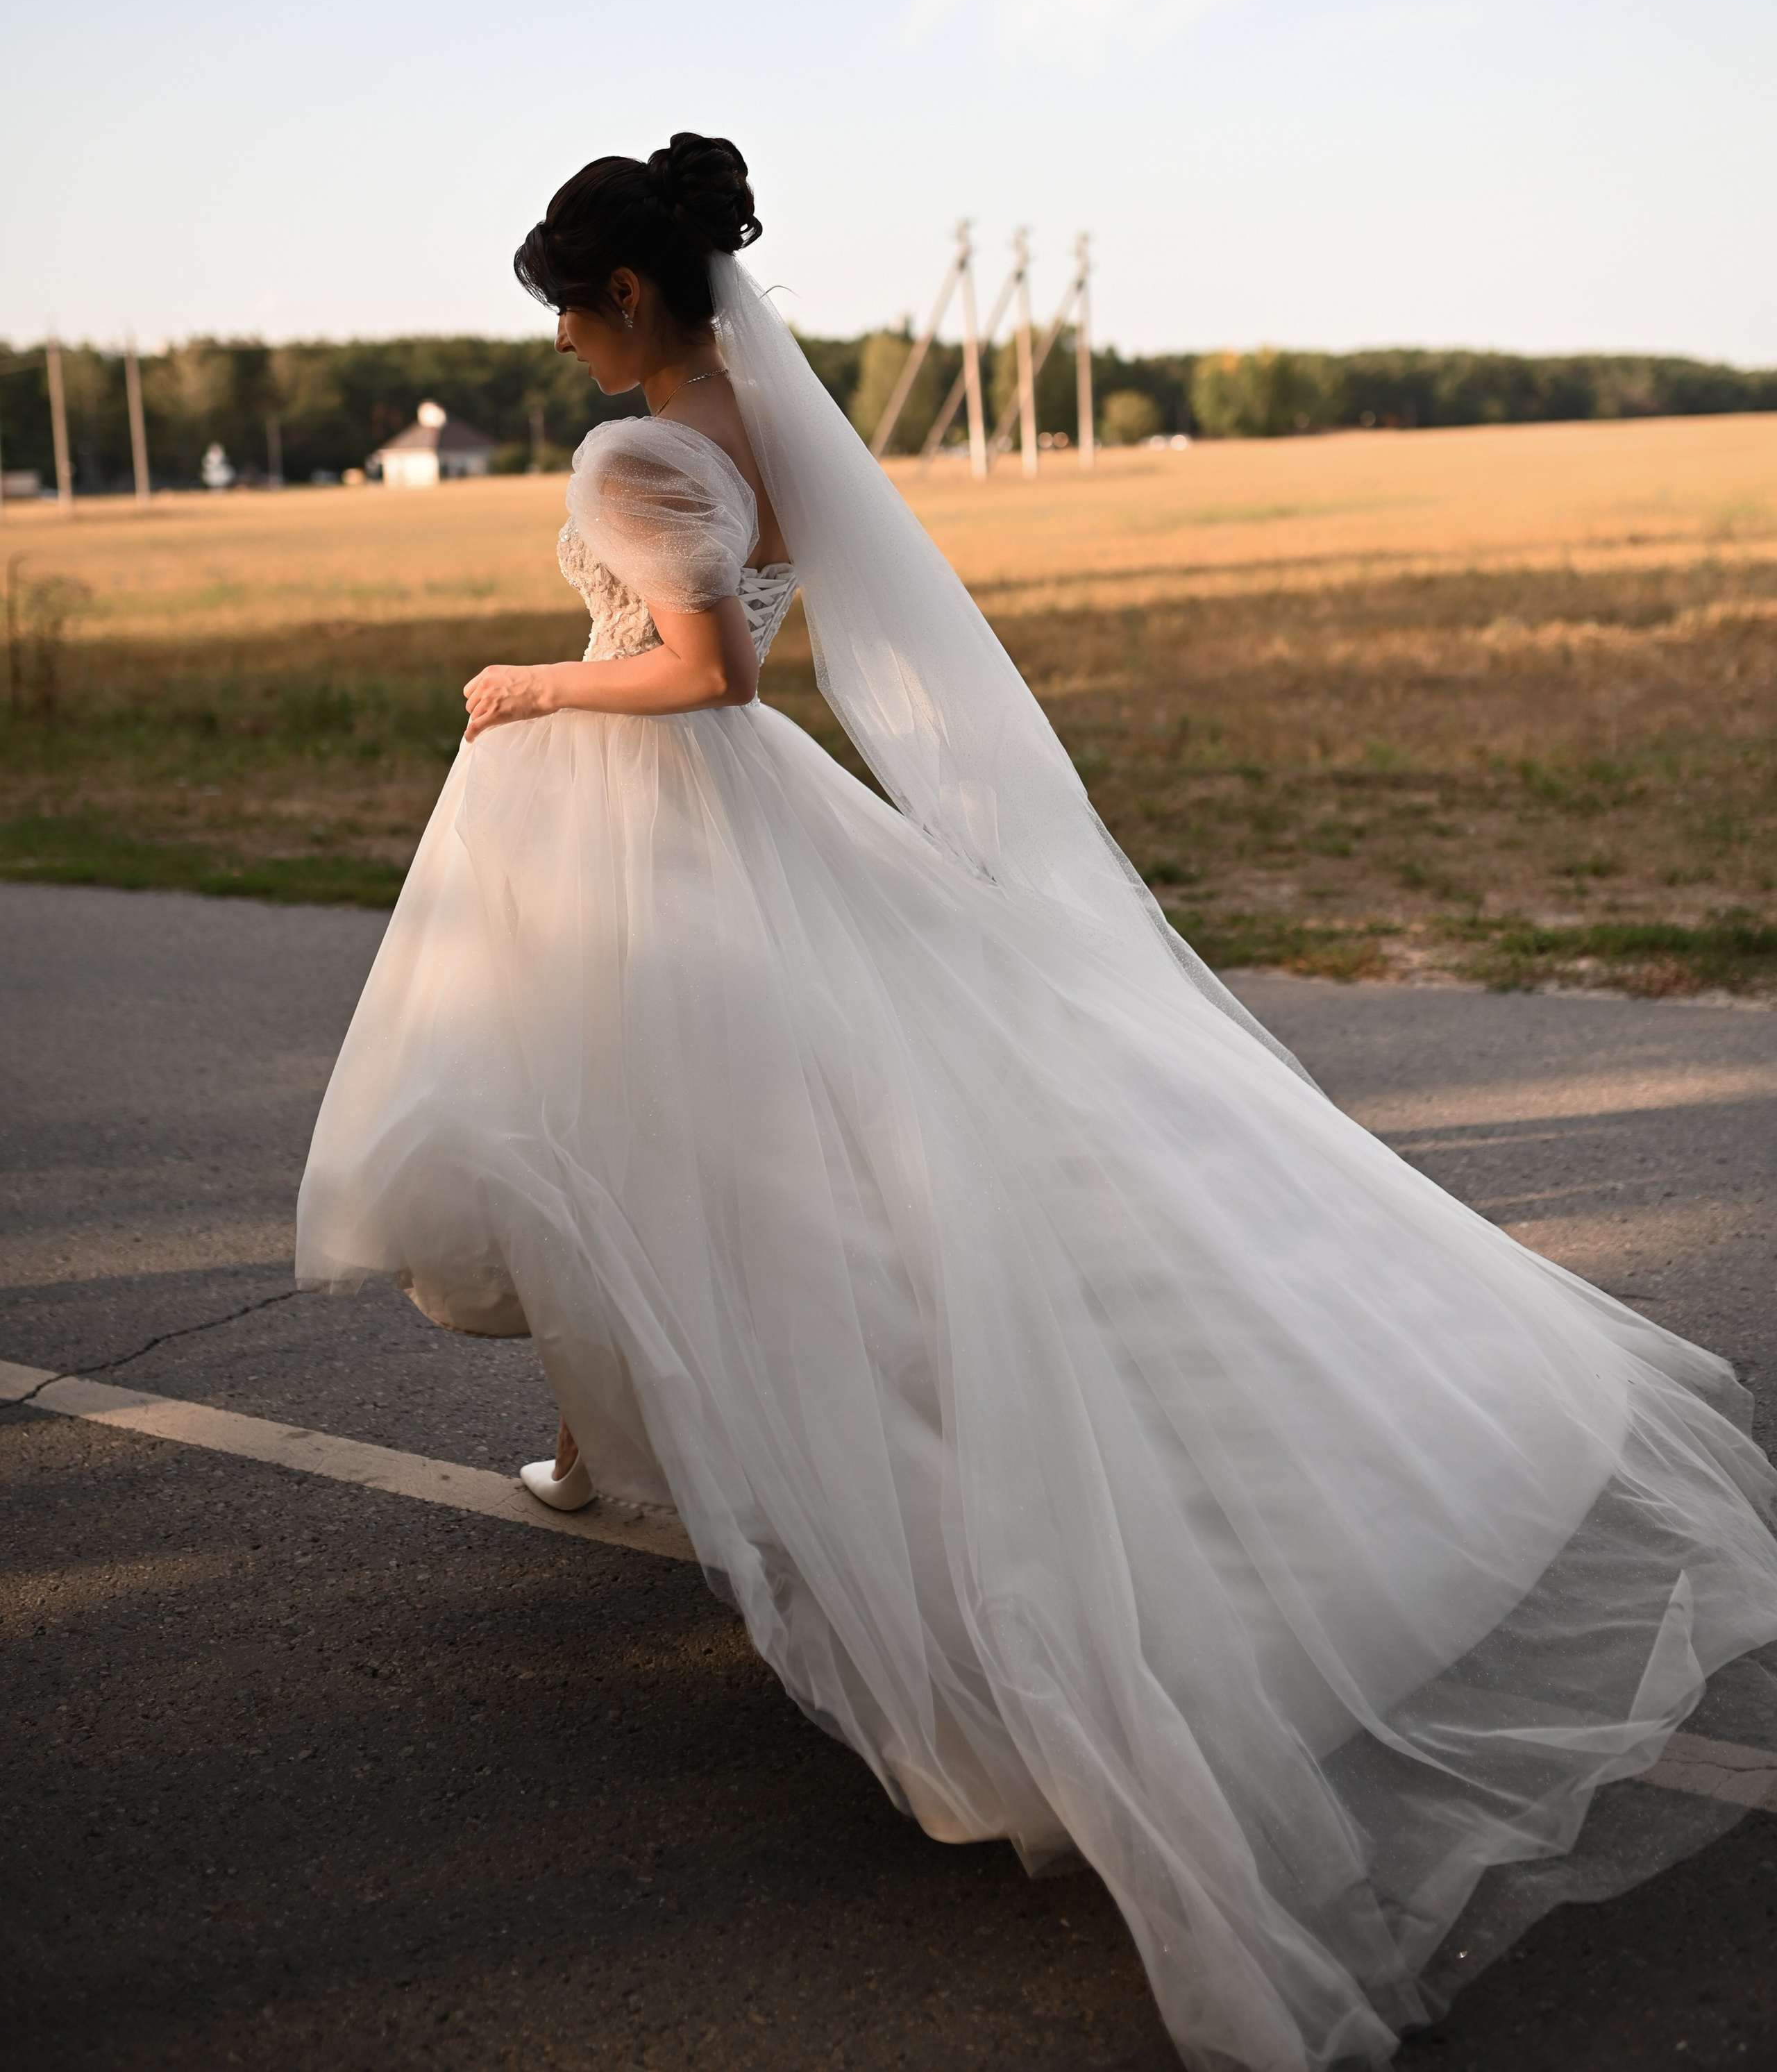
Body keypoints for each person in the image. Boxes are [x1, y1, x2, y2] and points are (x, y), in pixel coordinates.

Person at [296, 134, 1777, 2072]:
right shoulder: (759, 410)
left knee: (636, 1135)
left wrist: (528, 683)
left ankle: (781, 1492)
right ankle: (589, 1439)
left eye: (569, 309)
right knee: (629, 1135)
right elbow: (781, 592)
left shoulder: (637, 448)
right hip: (743, 837)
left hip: (674, 830)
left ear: (630, 299)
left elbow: (717, 671)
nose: (563, 343)